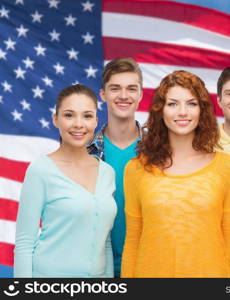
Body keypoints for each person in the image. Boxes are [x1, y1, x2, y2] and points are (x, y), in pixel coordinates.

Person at [121, 70, 230, 278]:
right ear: (161, 111)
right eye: (173, 104)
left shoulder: (227, 167)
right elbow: (133, 240)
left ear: (202, 110)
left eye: (192, 103)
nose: (182, 112)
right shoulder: (135, 169)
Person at [14, 84, 117, 277]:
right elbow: (24, 243)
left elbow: (106, 241)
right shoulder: (41, 170)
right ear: (56, 119)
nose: (78, 124)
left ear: (96, 121)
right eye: (69, 115)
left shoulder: (107, 173)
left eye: (87, 116)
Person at [87, 57, 143, 277]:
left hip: (146, 269)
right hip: (96, 271)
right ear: (103, 94)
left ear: (140, 94)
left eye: (131, 89)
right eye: (115, 88)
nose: (123, 96)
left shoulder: (161, 152)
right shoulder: (85, 151)